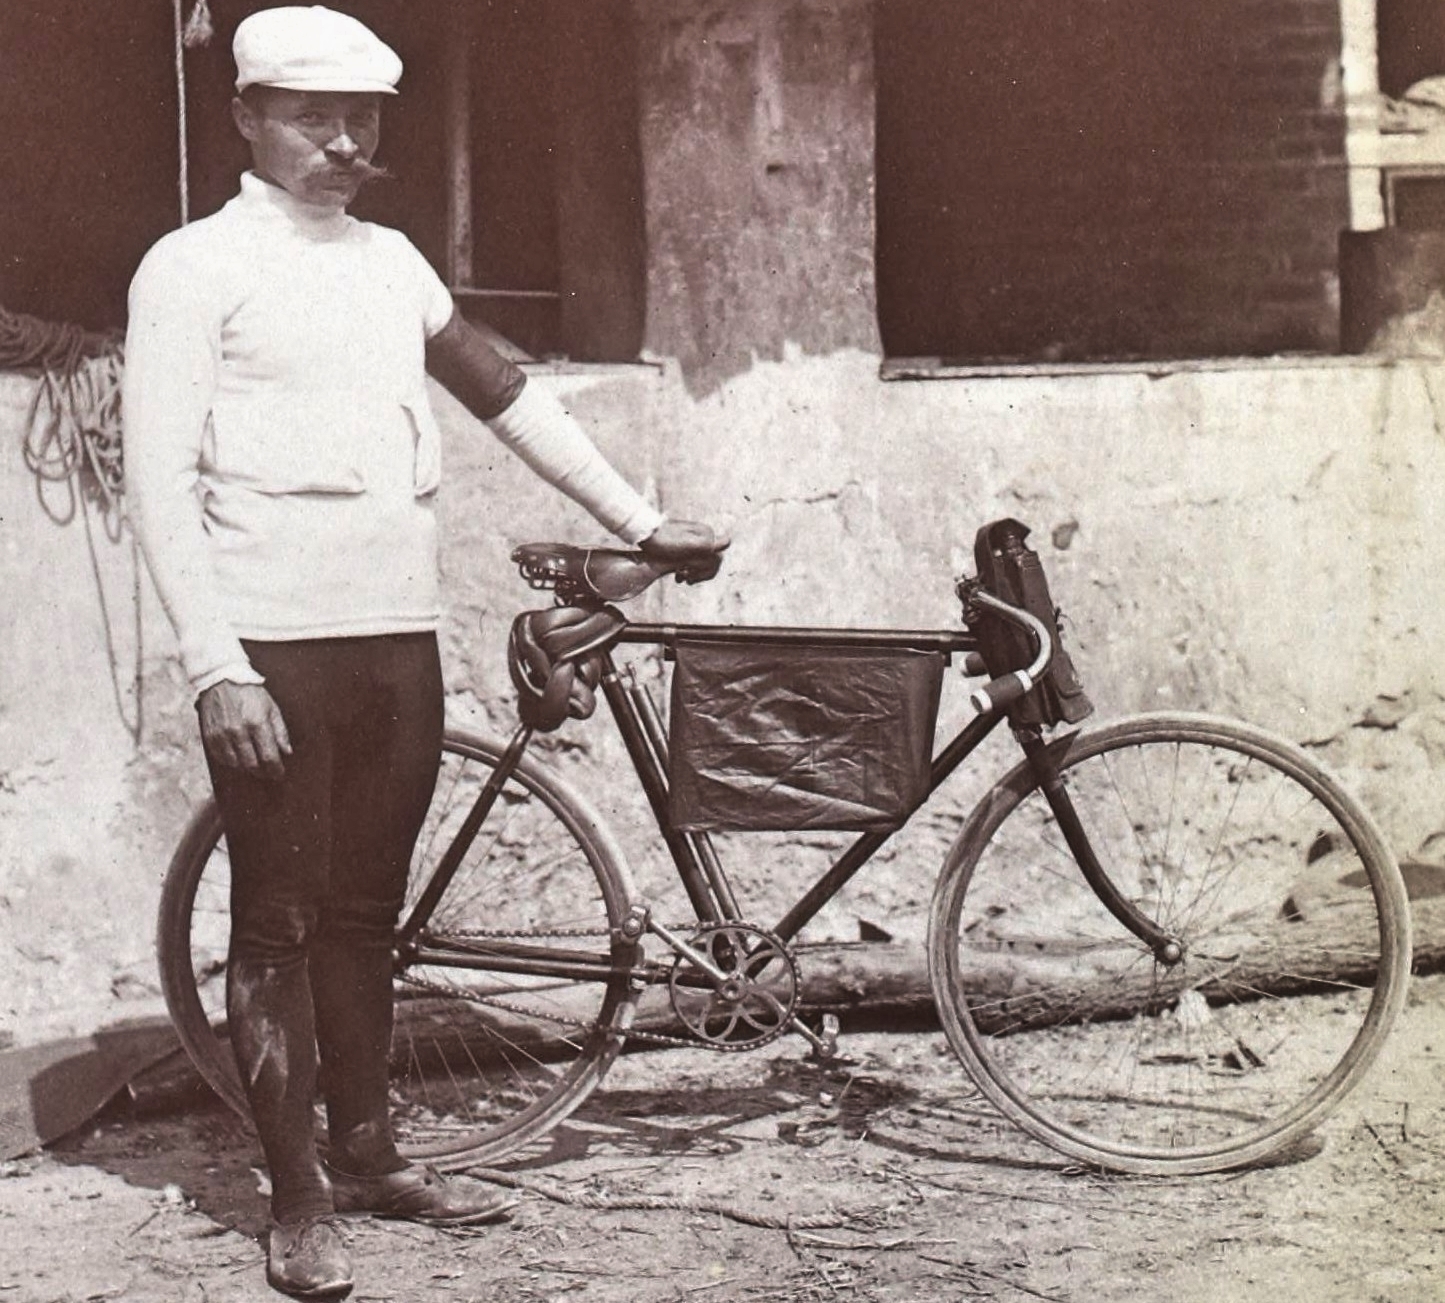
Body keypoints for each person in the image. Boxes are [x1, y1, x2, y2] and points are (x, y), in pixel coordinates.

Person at [122, 7, 726, 1298]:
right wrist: (216, 666)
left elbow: (506, 394)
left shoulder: (393, 262)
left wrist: (639, 522)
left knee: (367, 914)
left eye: (364, 120)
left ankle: (371, 1154)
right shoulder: (190, 267)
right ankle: (297, 1201)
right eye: (313, 118)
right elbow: (157, 486)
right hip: (271, 645)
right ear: (246, 117)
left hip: (393, 638)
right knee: (278, 921)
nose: (345, 143)